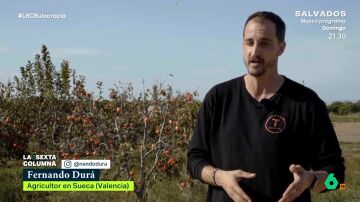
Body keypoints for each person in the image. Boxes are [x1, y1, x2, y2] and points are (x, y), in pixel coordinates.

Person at [187, 11, 345, 202]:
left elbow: (337, 179)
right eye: (249, 42)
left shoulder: (307, 104)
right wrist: (219, 177)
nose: (254, 51)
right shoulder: (217, 98)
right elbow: (194, 160)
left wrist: (310, 180)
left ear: (281, 48)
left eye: (264, 43)